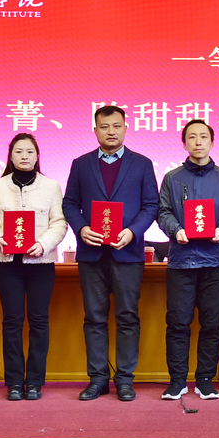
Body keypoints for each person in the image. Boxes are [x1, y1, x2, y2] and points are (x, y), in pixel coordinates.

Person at [62, 105, 159, 402]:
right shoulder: (81, 164)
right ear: (95, 130)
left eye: (117, 126)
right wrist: (81, 229)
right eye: (104, 127)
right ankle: (98, 379)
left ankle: (125, 380)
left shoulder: (142, 164)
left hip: (127, 252)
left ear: (126, 128)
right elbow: (69, 204)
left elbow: (151, 205)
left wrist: (133, 232)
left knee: (128, 317)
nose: (111, 132)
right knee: (94, 317)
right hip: (91, 254)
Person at [157, 119, 219, 400]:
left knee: (212, 323)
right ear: (184, 143)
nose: (198, 142)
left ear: (212, 142)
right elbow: (163, 211)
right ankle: (177, 380)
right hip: (181, 261)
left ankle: (205, 379)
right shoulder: (172, 178)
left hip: (215, 261)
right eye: (192, 137)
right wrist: (176, 230)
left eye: (203, 136)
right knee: (177, 323)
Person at [0, 133, 67, 401]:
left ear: (37, 156)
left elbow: (59, 222)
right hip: (8, 263)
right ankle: (14, 382)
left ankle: (35, 382)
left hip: (41, 263)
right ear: (10, 156)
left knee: (39, 321)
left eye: (30, 152)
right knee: (12, 322)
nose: (24, 156)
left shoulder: (51, 186)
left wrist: (43, 244)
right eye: (19, 151)